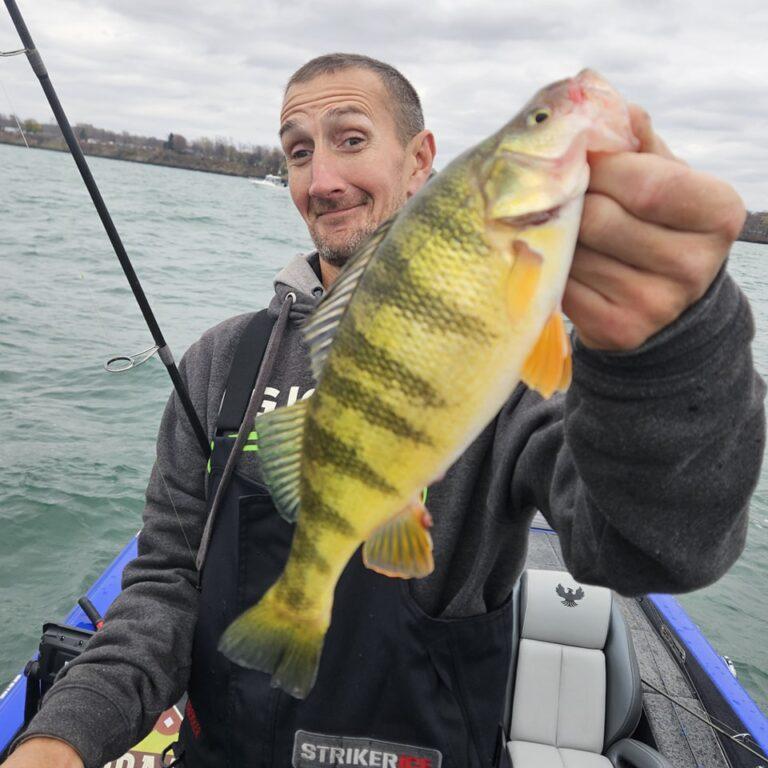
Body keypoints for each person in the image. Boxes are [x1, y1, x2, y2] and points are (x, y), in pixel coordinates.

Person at [4, 53, 764, 768]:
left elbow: (656, 550)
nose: (322, 177)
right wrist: (62, 738)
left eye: (352, 139)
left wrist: (676, 350)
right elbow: (164, 589)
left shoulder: (517, 369)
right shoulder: (219, 365)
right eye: (298, 152)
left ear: (422, 158)